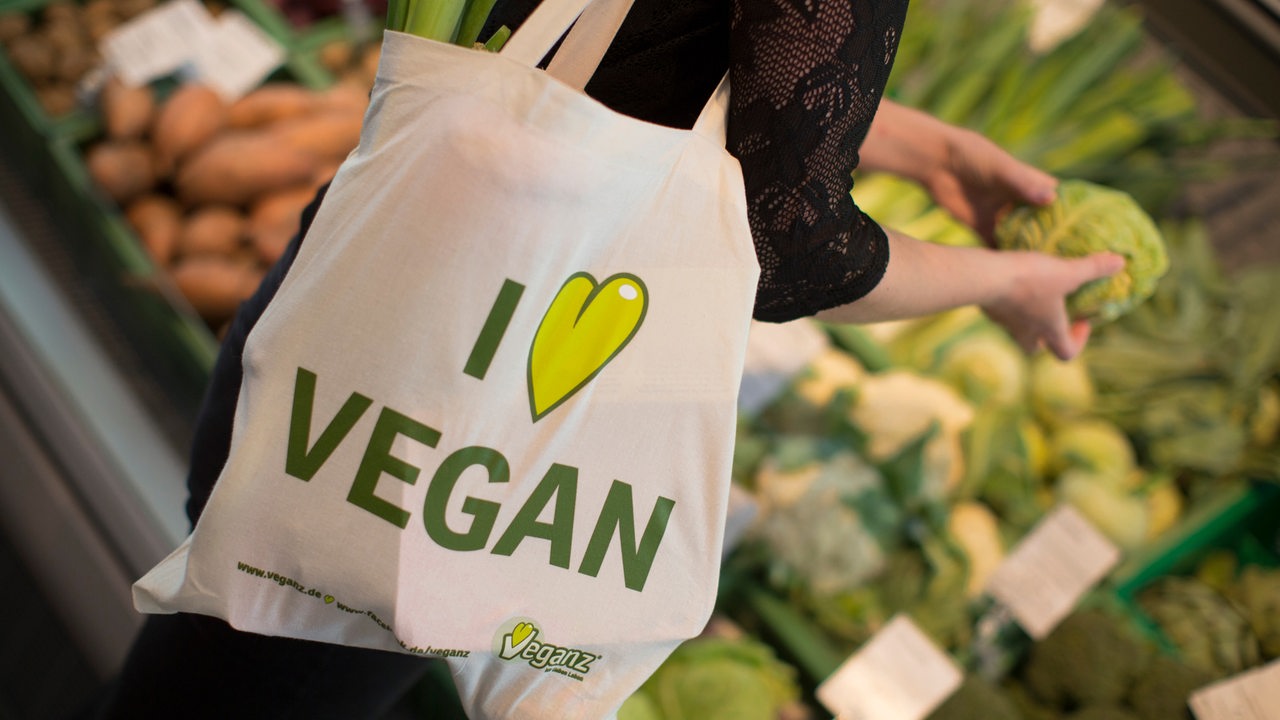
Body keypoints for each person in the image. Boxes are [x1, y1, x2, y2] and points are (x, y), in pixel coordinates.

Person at [91, 0, 1120, 717]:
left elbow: (660, 37)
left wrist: (921, 151)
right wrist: (1001, 282)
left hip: (371, 313)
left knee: (226, 640)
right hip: (449, 417)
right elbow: (789, 253)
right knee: (259, 678)